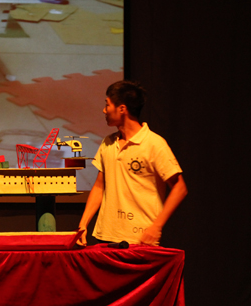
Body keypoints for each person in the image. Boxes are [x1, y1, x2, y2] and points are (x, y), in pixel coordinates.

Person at [77, 81, 188, 246]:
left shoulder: (153, 143)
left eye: (107, 105)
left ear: (122, 109)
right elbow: (100, 186)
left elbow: (180, 188)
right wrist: (83, 224)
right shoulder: (108, 142)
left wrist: (156, 226)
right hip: (107, 235)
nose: (104, 110)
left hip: (140, 238)